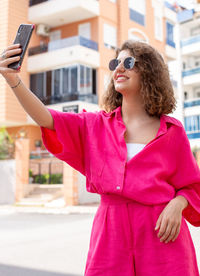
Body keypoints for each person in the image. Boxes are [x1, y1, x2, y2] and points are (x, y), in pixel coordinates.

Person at [0, 40, 200, 276]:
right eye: (115, 63)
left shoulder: (172, 131)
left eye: (128, 62)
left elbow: (192, 186)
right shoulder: (94, 125)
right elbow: (46, 118)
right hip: (110, 235)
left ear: (149, 72)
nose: (119, 68)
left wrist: (178, 204)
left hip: (161, 234)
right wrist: (13, 80)